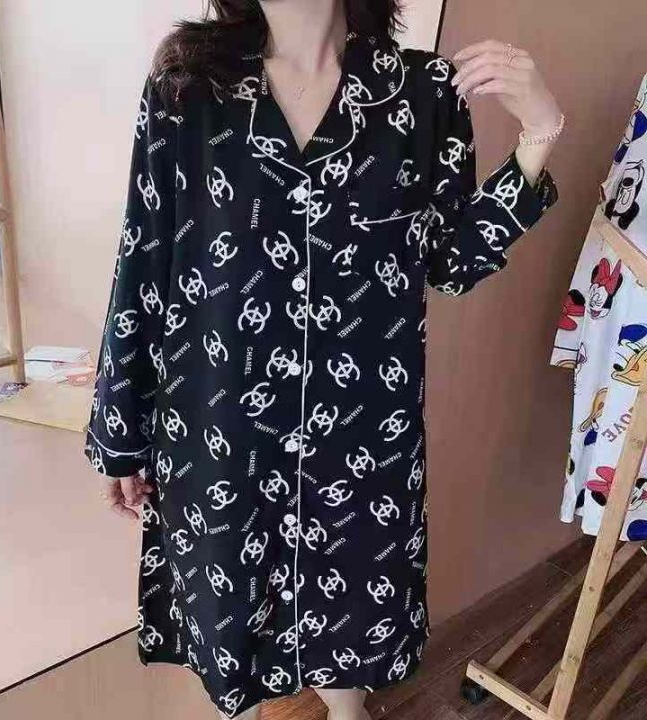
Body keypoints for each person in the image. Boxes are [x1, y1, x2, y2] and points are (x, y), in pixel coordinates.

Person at [84, 1, 562, 718]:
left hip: (362, 427)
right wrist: (120, 431)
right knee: (228, 599)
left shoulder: (421, 93)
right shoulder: (189, 89)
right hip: (220, 420)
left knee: (354, 590)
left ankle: (347, 708)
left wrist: (540, 130)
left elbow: (452, 261)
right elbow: (143, 260)